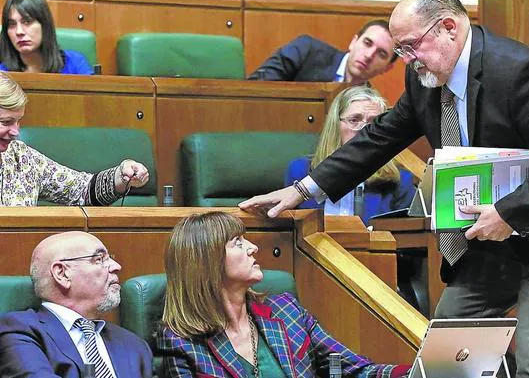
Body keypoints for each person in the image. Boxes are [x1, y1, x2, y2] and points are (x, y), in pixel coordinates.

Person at [240, 0, 529, 377]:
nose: (407, 61)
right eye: (402, 50)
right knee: (447, 363)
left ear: (447, 27)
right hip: (486, 247)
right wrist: (302, 189)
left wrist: (508, 212)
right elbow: (379, 139)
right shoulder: (424, 78)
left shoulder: (517, 70)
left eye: (410, 47)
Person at [157, 211, 410, 378]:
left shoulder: (287, 310)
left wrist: (421, 372)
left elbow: (357, 370)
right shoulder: (180, 341)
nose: (253, 247)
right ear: (205, 262)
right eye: (237, 242)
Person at [0, 231, 153, 377]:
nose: (116, 266)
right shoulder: (19, 331)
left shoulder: (134, 345)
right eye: (99, 259)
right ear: (62, 273)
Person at [0, 72, 149, 206]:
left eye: (18, 121)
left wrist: (123, 175)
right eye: (6, 122)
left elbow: (81, 191)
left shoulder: (22, 157)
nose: (15, 132)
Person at [285, 85, 415, 224]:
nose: (364, 131)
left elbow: (404, 239)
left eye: (374, 124)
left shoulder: (400, 182)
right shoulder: (300, 172)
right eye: (354, 120)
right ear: (335, 125)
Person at [247, 20, 397, 85]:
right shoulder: (306, 50)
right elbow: (258, 87)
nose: (369, 55)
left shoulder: (370, 104)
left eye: (381, 54)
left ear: (387, 68)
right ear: (353, 42)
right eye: (367, 43)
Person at [0, 0, 93, 74]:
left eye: (27, 21)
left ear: (44, 25)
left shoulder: (75, 63)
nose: (19, 32)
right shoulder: (3, 73)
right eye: (12, 24)